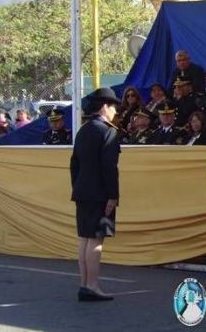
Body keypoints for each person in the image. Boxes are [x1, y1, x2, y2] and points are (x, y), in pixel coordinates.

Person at [70, 87, 122, 302]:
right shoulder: (107, 131)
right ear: (104, 107)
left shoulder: (83, 130)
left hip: (82, 191)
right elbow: (109, 167)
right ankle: (92, 285)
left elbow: (74, 164)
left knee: (84, 239)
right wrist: (113, 195)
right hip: (100, 193)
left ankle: (84, 284)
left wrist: (78, 187)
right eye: (113, 107)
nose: (115, 112)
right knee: (96, 240)